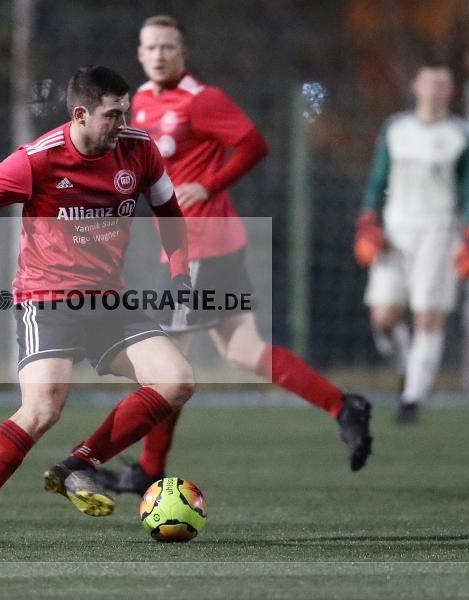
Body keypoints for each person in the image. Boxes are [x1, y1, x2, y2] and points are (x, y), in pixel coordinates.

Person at [0, 66, 197, 544]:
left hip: (109, 300)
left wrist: (178, 271)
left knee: (177, 380)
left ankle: (79, 464)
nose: (122, 122)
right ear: (80, 114)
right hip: (47, 300)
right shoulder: (38, 160)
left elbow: (171, 217)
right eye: (112, 114)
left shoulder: (140, 149)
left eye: (125, 112)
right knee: (42, 408)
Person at [93, 15, 373, 497]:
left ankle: (148, 469)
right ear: (140, 54)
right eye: (151, 47)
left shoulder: (204, 100)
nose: (159, 54)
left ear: (184, 51)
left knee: (166, 363)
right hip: (198, 245)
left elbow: (252, 144)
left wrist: (210, 183)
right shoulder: (138, 102)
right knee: (243, 351)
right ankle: (344, 406)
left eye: (168, 46)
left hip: (202, 244)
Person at [356, 64, 469, 424]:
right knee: (383, 318)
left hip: (439, 230)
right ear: (415, 86)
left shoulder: (461, 134)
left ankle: (411, 399)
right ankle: (407, 365)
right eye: (429, 83)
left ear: (451, 90)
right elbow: (378, 177)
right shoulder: (397, 129)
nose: (434, 90)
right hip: (396, 230)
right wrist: (368, 217)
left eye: (442, 84)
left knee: (428, 315)